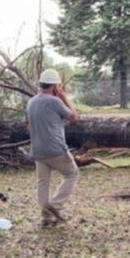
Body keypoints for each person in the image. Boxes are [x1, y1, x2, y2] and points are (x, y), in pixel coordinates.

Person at [24, 68, 79, 228]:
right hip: (55, 148)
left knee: (43, 182)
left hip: (37, 150)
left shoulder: (31, 102)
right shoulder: (55, 101)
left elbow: (26, 124)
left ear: (41, 84)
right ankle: (54, 206)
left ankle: (45, 217)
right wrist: (64, 98)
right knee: (71, 174)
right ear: (54, 87)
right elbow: (74, 117)